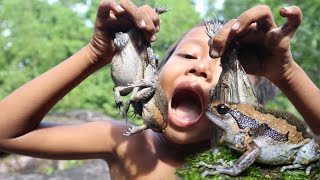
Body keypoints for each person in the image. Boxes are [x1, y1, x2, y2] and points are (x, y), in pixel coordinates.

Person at [0, 0, 319, 179]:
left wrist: (287, 73)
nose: (201, 67)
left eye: (228, 69)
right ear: (155, 72)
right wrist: (96, 53)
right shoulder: (126, 143)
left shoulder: (263, 160)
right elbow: (7, 133)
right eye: (188, 55)